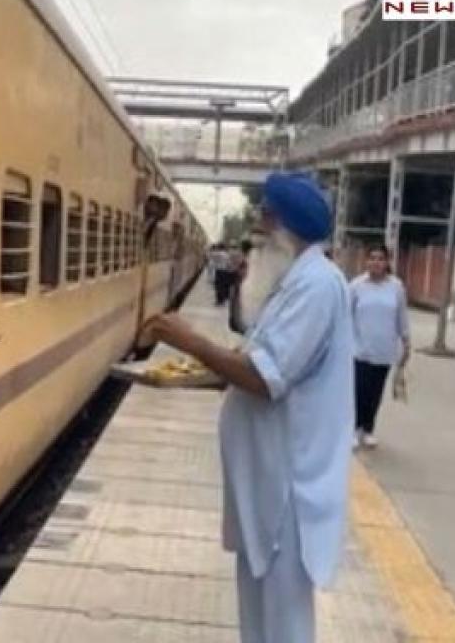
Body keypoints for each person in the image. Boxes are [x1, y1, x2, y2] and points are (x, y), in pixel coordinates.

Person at [142, 172, 353, 643]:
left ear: (283, 227)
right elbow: (256, 362)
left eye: (263, 218)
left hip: (288, 491)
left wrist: (191, 342)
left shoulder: (317, 286)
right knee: (260, 624)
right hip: (266, 484)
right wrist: (212, 373)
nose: (255, 230)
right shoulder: (294, 283)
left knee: (284, 627)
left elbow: (264, 376)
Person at [349, 244, 410, 449]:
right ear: (366, 261)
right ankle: (354, 428)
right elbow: (345, 317)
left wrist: (406, 340)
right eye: (372, 258)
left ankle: (368, 429)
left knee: (375, 393)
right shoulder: (356, 286)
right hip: (359, 349)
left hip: (384, 350)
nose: (376, 262)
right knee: (358, 391)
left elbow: (401, 316)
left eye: (380, 258)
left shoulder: (396, 287)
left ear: (387, 262)